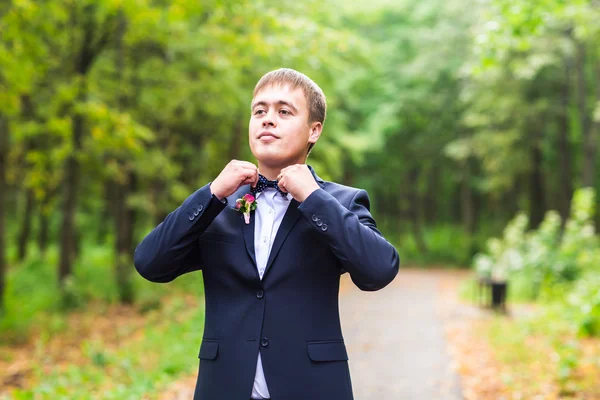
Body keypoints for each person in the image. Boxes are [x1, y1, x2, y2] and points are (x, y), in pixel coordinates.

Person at [133, 68, 400, 400]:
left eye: (284, 111)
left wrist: (314, 198)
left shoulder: (341, 203)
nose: (267, 119)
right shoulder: (218, 205)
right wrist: (212, 193)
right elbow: (150, 263)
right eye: (259, 111)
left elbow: (378, 270)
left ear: (314, 130)